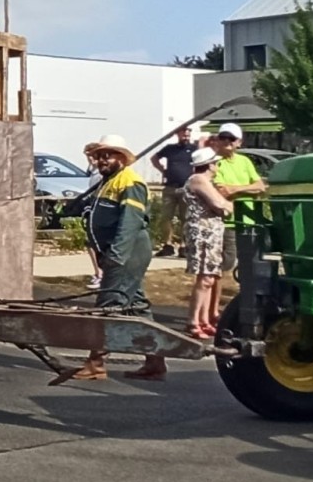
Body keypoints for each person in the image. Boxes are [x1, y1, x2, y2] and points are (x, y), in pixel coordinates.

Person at [62, 134, 152, 383]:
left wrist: (117, 256)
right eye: (99, 155)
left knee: (108, 305)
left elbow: (130, 222)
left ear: (121, 157)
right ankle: (155, 360)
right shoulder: (107, 181)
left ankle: (96, 363)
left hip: (128, 251)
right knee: (137, 306)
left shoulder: (130, 182)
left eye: (108, 155)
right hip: (116, 252)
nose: (102, 160)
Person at [183, 146, 233, 340]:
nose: (217, 166)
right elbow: (220, 205)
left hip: (212, 232)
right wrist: (226, 205)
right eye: (216, 163)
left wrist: (226, 205)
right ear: (209, 165)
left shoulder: (206, 181)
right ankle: (193, 321)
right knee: (204, 278)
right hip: (203, 232)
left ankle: (204, 320)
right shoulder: (198, 180)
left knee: (210, 277)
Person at [210, 122, 266, 282]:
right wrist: (248, 188)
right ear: (217, 140)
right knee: (227, 262)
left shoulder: (245, 161)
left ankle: (246, 293)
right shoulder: (214, 163)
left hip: (250, 220)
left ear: (239, 142)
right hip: (228, 222)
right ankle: (215, 294)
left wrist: (234, 189)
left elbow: (260, 187)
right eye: (223, 137)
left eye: (231, 138)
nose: (227, 141)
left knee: (250, 263)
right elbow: (222, 192)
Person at [150, 127, 195, 257]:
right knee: (166, 217)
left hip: (186, 187)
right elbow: (154, 158)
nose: (185, 136)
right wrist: (162, 170)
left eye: (187, 134)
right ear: (178, 134)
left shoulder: (194, 149)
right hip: (170, 187)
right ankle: (167, 244)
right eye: (183, 134)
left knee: (185, 217)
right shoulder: (170, 148)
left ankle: (183, 245)